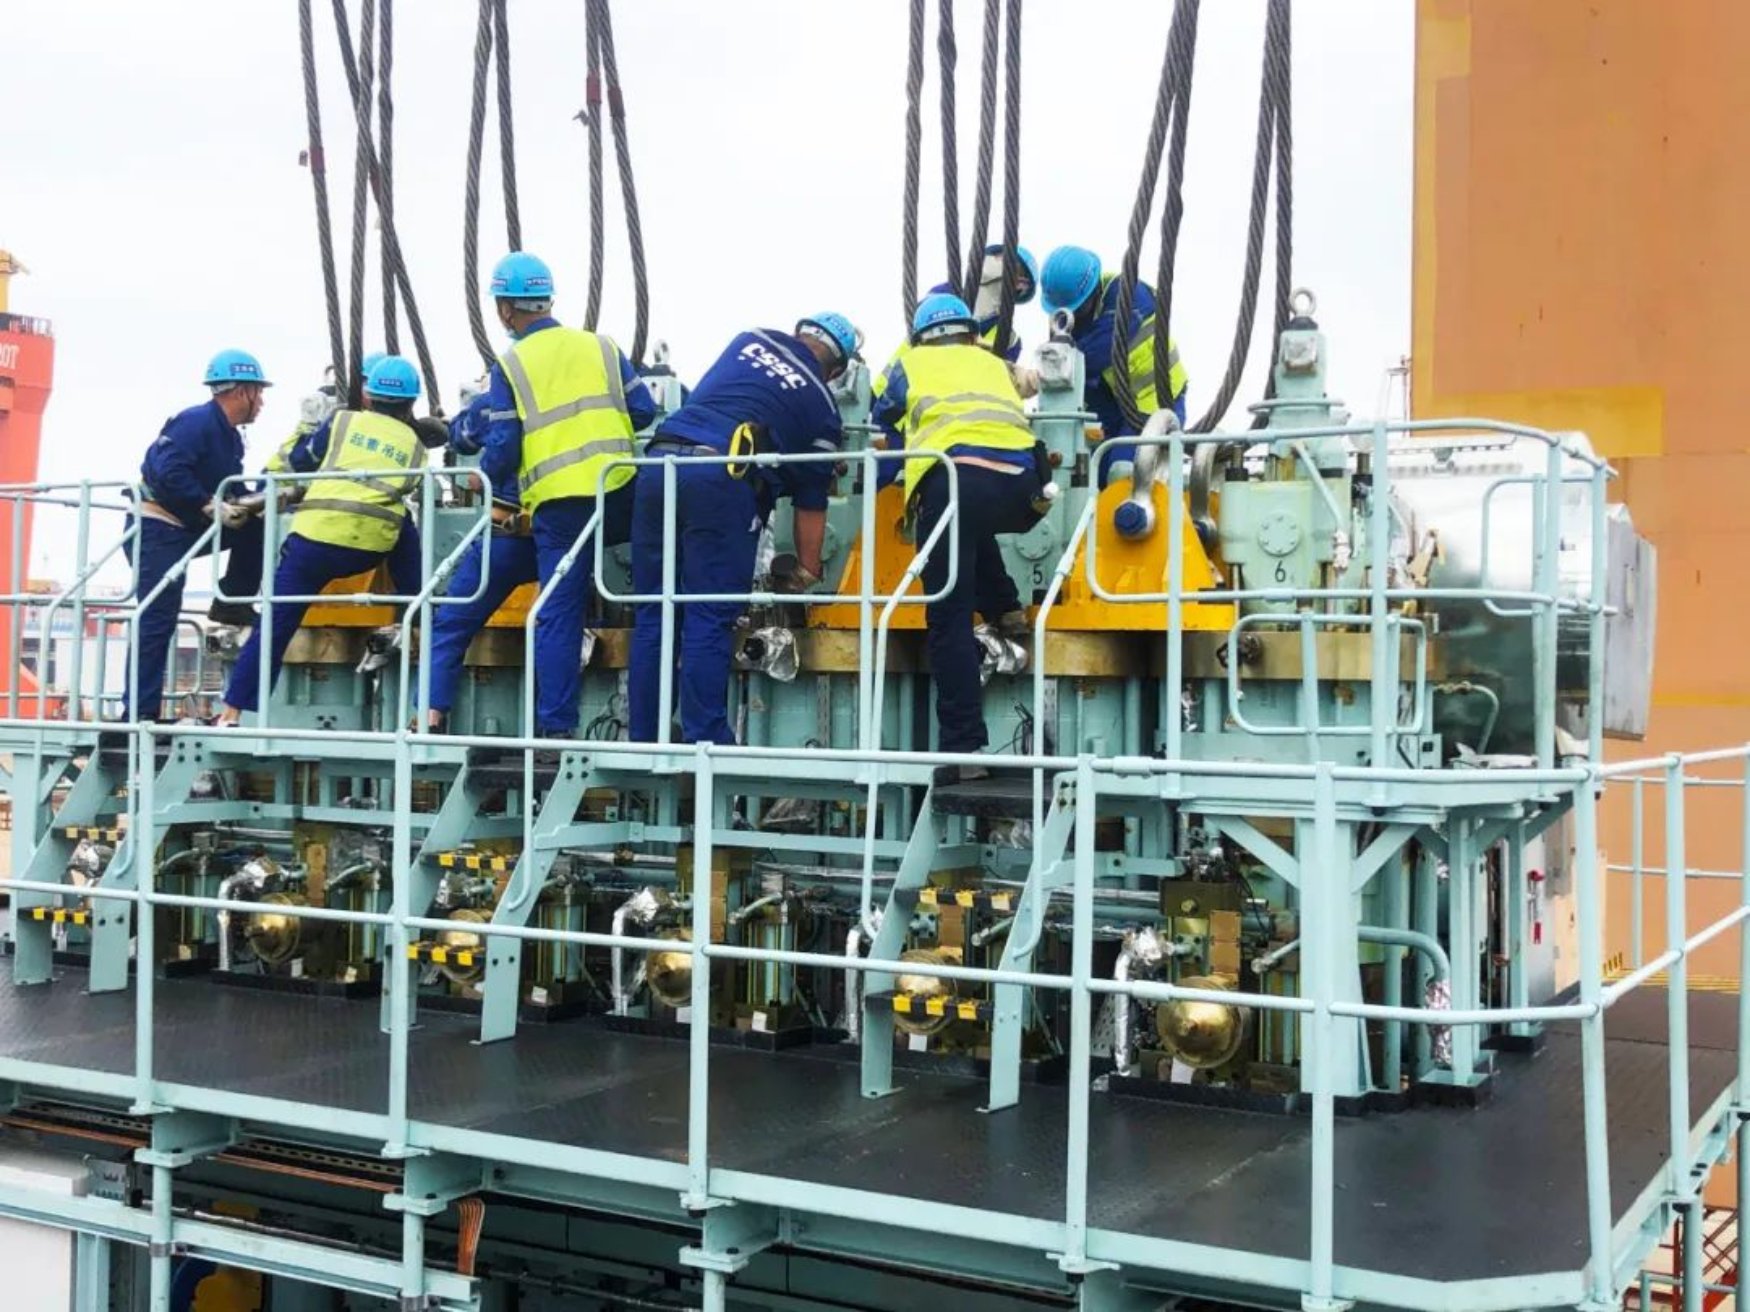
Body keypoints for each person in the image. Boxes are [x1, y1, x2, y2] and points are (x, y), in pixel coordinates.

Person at [626, 312, 858, 746]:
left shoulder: (750, 338)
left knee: (655, 611)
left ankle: (644, 736)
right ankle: (705, 737)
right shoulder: (824, 409)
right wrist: (807, 569)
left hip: (659, 464)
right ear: (836, 370)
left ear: (799, 333)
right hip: (721, 478)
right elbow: (811, 501)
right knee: (708, 615)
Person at [476, 251, 657, 738]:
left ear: (505, 309)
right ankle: (650, 719)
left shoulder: (510, 365)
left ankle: (556, 729)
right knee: (656, 591)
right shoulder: (601, 346)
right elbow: (643, 411)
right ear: (548, 301)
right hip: (619, 491)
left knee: (558, 612)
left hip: (560, 507)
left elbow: (503, 446)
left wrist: (484, 477)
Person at [870, 293, 1042, 782]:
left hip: (956, 481)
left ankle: (963, 749)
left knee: (948, 618)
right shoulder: (995, 365)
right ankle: (1005, 608)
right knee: (969, 520)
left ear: (921, 337)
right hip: (1025, 487)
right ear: (971, 334)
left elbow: (883, 415)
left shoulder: (910, 364)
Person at [214, 356, 427, 724]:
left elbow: (301, 460)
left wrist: (308, 429)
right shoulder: (416, 447)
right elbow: (410, 486)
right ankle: (415, 610)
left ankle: (232, 712)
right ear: (411, 404)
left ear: (368, 395)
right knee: (403, 520)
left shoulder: (342, 421)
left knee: (275, 623)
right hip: (369, 548)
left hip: (315, 541)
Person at [126, 349, 272, 721]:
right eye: (259, 392)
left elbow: (226, 485)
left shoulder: (228, 436)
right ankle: (137, 716)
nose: (262, 402)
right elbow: (167, 470)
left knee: (254, 526)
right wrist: (207, 503)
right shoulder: (195, 422)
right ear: (242, 391)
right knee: (157, 619)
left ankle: (232, 601)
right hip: (157, 528)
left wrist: (254, 501)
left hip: (186, 526)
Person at [414, 392, 540, 732]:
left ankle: (429, 715)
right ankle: (555, 728)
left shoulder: (496, 400)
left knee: (450, 625)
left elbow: (461, 438)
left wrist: (458, 423)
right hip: (563, 536)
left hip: (504, 536)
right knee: (559, 625)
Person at [1038, 245, 1188, 482]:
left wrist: (1043, 372)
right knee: (1090, 472)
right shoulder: (1069, 317)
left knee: (1122, 470)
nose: (1073, 313)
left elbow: (1093, 353)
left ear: (1093, 291)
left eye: (1078, 307)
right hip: (1112, 405)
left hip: (1153, 402)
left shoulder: (1130, 297)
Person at [927, 242, 1039, 363]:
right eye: (997, 256)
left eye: (1015, 266)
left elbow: (1002, 373)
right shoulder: (944, 292)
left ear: (1021, 285)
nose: (996, 261)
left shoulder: (1010, 340)